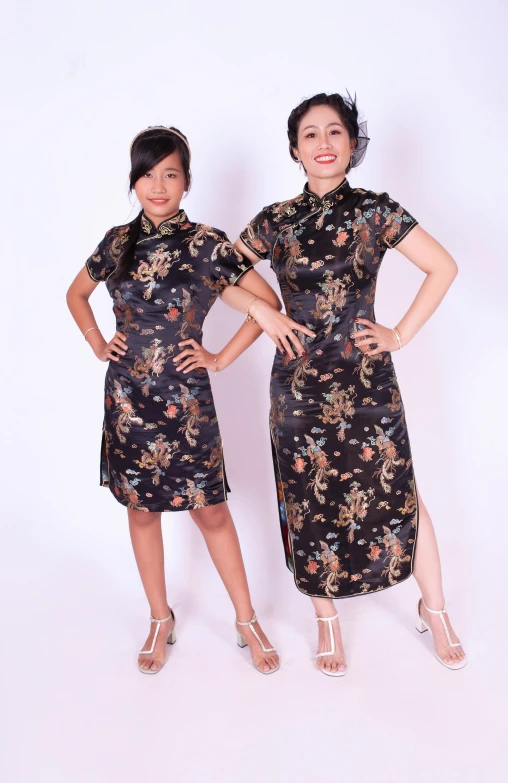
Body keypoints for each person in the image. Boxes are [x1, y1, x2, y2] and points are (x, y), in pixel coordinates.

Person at [234, 93, 467, 676]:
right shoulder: (275, 221)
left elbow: (444, 267)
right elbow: (216, 273)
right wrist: (264, 313)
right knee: (308, 501)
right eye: (310, 134)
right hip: (297, 386)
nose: (323, 143)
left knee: (401, 493)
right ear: (295, 149)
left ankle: (434, 608)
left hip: (367, 381)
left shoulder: (374, 210)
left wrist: (400, 333)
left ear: (351, 143)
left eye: (334, 131)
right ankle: (327, 621)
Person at [66, 125, 312, 675]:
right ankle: (160, 616)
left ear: (187, 182)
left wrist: (220, 358)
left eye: (170, 174)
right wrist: (97, 342)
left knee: (213, 513)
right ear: (134, 181)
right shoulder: (116, 242)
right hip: (127, 399)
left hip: (186, 401)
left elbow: (265, 303)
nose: (158, 186)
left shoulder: (204, 243)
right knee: (141, 512)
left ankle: (245, 618)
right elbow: (76, 293)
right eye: (148, 174)